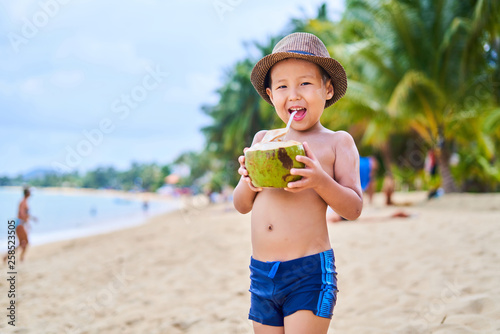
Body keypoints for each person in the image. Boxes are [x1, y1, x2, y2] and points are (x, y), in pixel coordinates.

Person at [233, 33, 363, 334]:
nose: (293, 94)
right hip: (262, 273)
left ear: (327, 89)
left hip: (308, 272)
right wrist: (249, 182)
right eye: (282, 86)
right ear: (270, 94)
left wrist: (319, 180)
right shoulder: (263, 141)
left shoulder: (336, 143)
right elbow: (240, 206)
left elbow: (353, 208)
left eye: (305, 83)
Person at [3, 187, 37, 263]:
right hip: (20, 224)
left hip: (21, 224)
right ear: (27, 193)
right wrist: (28, 219)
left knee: (22, 243)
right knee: (25, 242)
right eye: (30, 192)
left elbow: (24, 214)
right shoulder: (23, 202)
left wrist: (30, 219)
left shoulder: (24, 202)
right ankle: (21, 259)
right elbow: (22, 214)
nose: (30, 194)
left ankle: (7, 256)